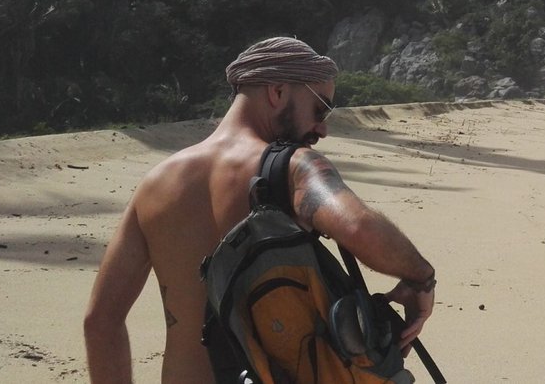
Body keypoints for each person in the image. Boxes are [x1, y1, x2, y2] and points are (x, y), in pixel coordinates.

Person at [82, 36, 436, 383]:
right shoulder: (293, 167)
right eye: (319, 109)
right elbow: (357, 226)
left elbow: (100, 321)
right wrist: (422, 277)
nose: (323, 128)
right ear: (277, 91)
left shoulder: (155, 184)